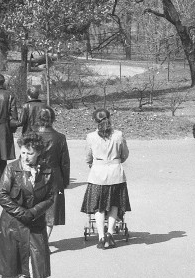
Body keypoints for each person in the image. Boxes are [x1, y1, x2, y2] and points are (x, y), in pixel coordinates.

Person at [0, 131, 55, 278]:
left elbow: (51, 197)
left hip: (35, 226)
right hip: (12, 226)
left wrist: (34, 212)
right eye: (23, 152)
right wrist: (22, 213)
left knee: (38, 269)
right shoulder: (11, 168)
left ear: (39, 152)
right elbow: (2, 194)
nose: (25, 157)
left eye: (29, 153)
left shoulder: (48, 171)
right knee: (10, 272)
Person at [81, 109, 130, 250]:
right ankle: (110, 233)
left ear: (95, 121)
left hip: (97, 176)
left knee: (99, 206)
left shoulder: (91, 137)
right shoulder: (118, 135)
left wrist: (93, 163)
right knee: (114, 204)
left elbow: (88, 157)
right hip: (116, 175)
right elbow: (125, 154)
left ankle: (101, 236)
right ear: (110, 118)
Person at [34, 107, 70, 238]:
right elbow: (65, 162)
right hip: (55, 176)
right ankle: (44, 240)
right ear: (53, 119)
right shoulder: (60, 138)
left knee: (34, 207)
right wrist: (65, 181)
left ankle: (37, 240)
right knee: (51, 210)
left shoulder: (32, 136)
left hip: (35, 174)